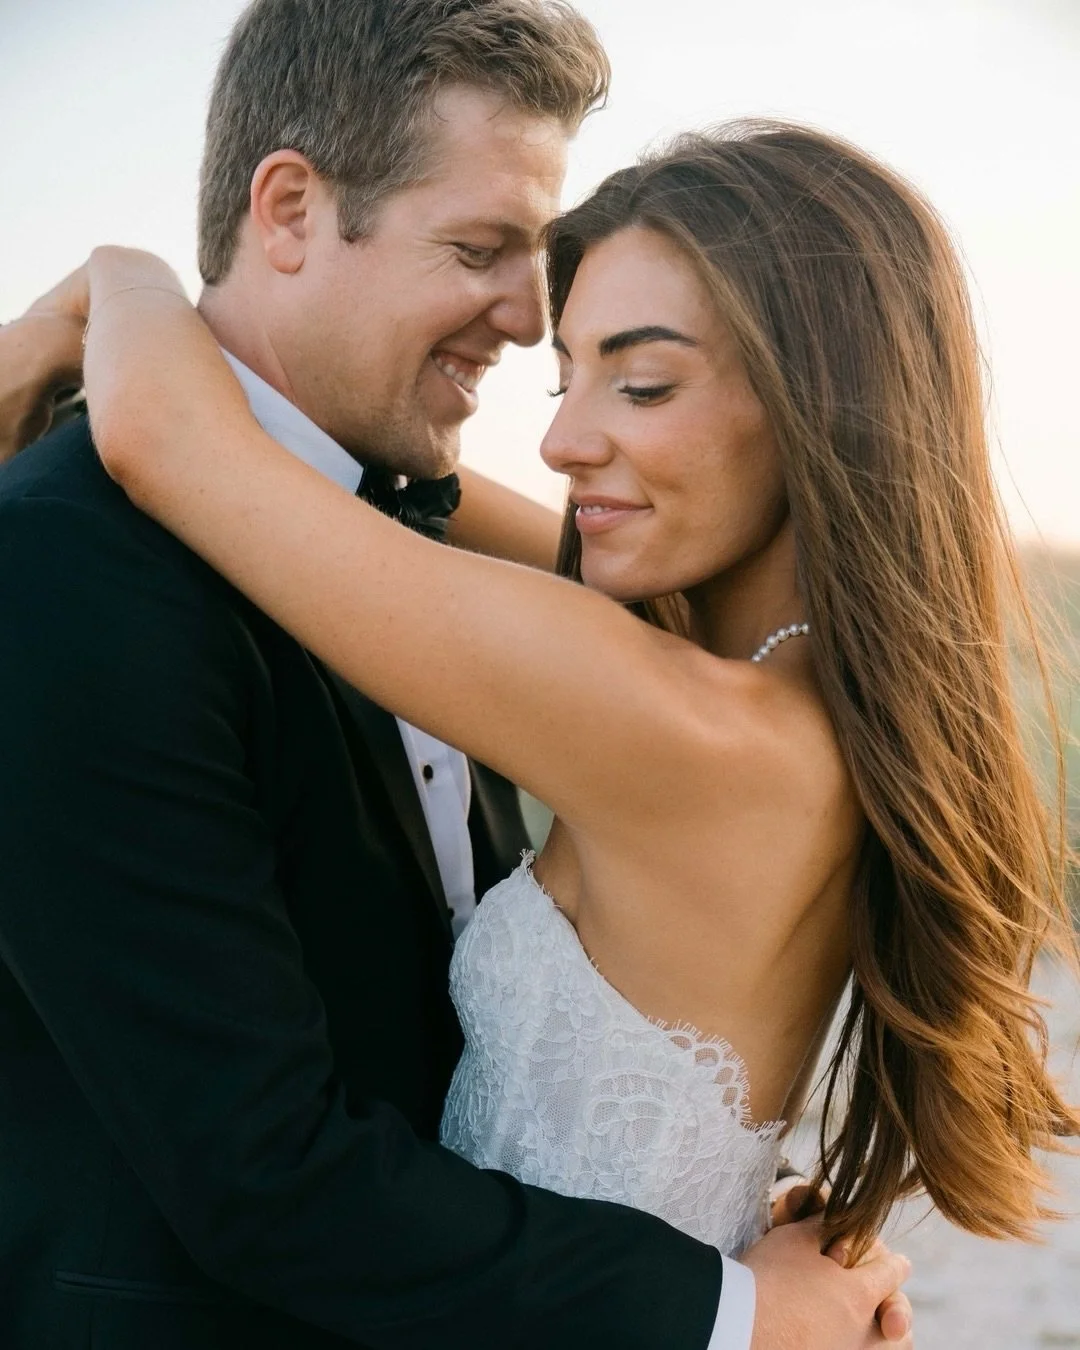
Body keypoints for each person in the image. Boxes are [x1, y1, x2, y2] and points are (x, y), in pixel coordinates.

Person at [22, 106, 1080, 1335]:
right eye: (564, 373)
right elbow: (417, 493)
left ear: (819, 404)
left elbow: (167, 437)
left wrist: (118, 276)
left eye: (639, 382)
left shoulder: (670, 719)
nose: (564, 438)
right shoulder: (771, 702)